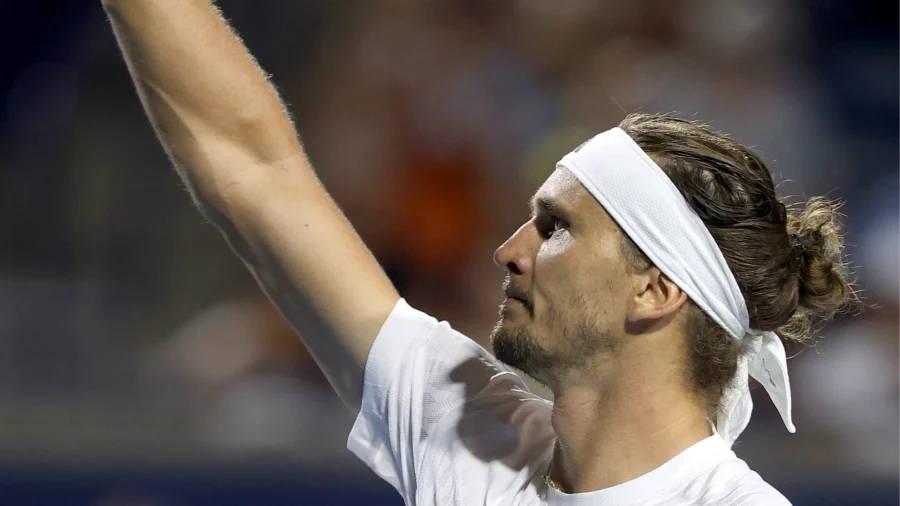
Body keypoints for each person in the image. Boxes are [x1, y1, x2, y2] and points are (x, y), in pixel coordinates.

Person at [102, 1, 854, 504]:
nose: (507, 249)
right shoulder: (468, 432)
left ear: (654, 290)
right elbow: (256, 174)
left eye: (555, 228)